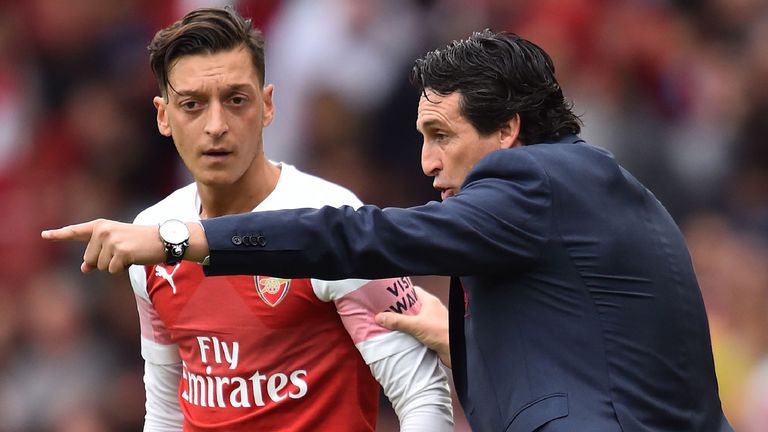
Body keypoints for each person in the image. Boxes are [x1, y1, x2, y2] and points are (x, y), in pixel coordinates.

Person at [43, 29, 733, 431]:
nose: (427, 161)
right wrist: (456, 333)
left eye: (440, 135)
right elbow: (595, 342)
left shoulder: (537, 184)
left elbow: (362, 237)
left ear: (508, 129)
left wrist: (184, 240)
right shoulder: (587, 193)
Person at [44, 7, 455, 431]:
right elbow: (166, 413)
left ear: (267, 105)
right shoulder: (154, 232)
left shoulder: (334, 221)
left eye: (236, 100)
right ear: (164, 116)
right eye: (192, 105)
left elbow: (422, 394)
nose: (216, 125)